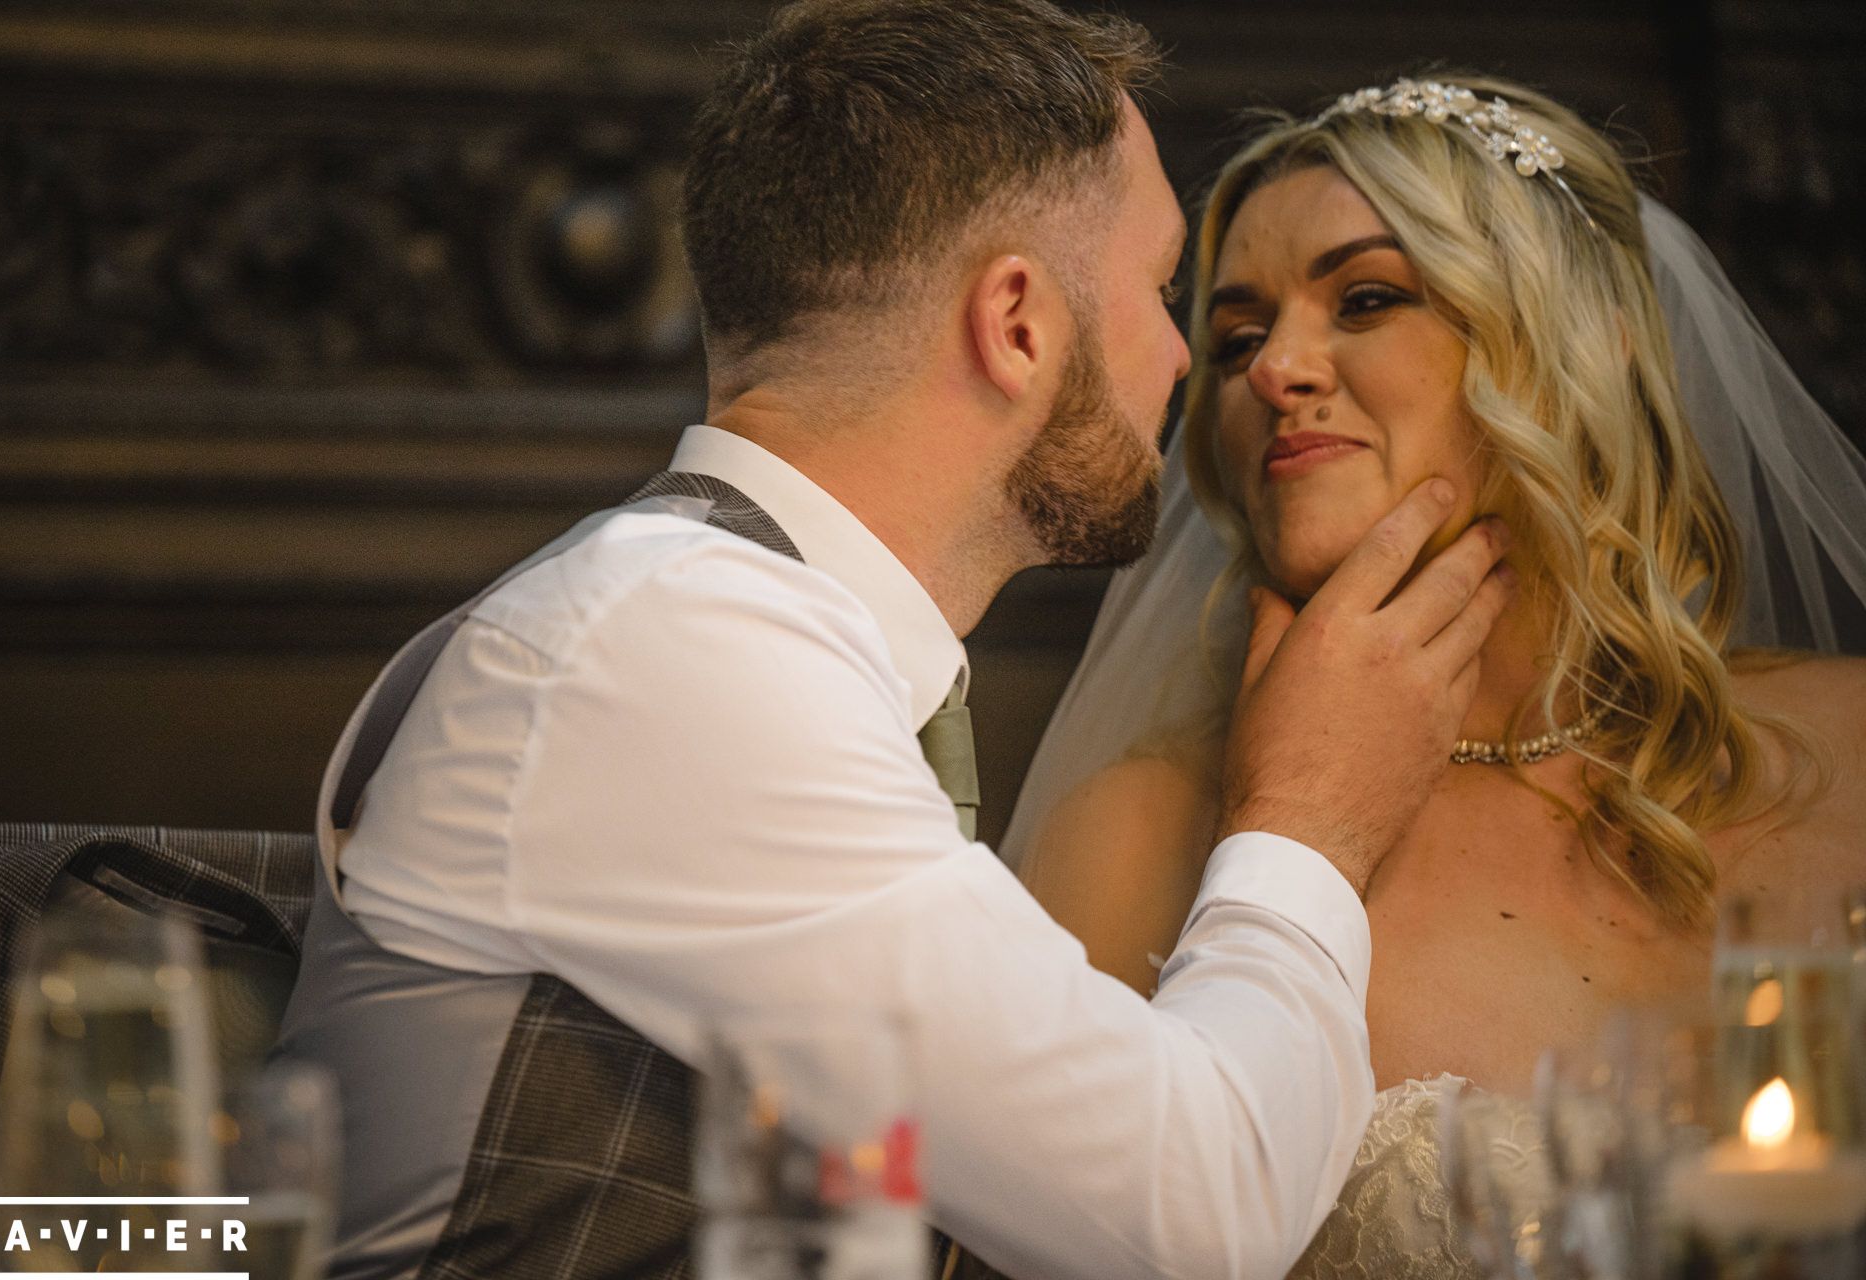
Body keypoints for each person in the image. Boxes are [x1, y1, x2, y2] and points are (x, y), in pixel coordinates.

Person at [274, 8, 1518, 1280]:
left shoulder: (731, 630)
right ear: (1019, 324)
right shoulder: (678, 647)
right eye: (1158, 290)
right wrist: (1311, 814)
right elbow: (1196, 1217)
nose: (1189, 359)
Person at [1008, 73, 1866, 1276]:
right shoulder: (1139, 835)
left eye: (1365, 297)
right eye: (1238, 334)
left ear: (1585, 347)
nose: (1272, 369)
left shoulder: (1854, 745)